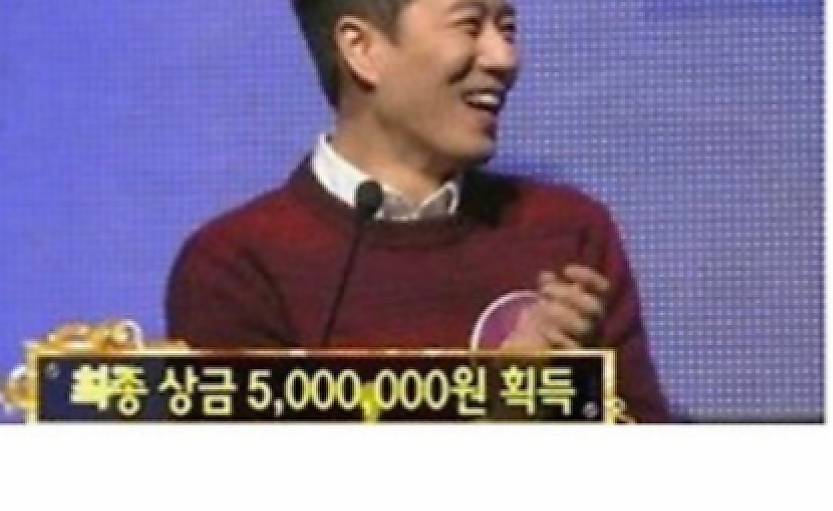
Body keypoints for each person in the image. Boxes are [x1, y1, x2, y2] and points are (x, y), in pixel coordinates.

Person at [165, 0, 670, 421]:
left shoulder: (567, 234)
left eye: (507, 28)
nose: (503, 58)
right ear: (362, 50)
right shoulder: (237, 267)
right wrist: (501, 402)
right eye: (469, 25)